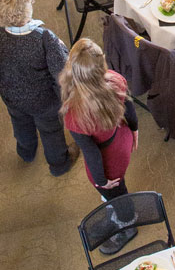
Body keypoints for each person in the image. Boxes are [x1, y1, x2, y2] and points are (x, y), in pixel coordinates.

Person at [0, 0, 78, 174]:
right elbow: (63, 75)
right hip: (44, 102)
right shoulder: (45, 38)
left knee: (20, 123)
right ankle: (59, 165)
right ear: (26, 10)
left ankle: (26, 152)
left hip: (11, 97)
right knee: (51, 131)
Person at [59, 38, 140, 256]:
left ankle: (127, 224)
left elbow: (91, 151)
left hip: (107, 159)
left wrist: (101, 181)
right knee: (116, 187)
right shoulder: (115, 79)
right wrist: (135, 130)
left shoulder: (74, 113)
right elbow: (129, 106)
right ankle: (114, 211)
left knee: (116, 191)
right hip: (121, 138)